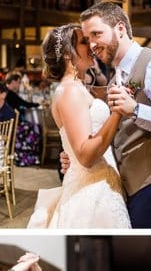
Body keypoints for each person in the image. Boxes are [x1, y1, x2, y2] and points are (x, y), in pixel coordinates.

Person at [73, 2, 151, 228]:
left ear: (120, 29)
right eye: (87, 38)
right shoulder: (117, 76)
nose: (92, 44)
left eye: (97, 34)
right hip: (135, 190)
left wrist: (136, 110)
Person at [27, 23, 131, 229]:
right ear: (68, 54)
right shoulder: (70, 91)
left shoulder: (79, 87)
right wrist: (117, 112)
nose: (91, 45)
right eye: (84, 42)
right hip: (90, 189)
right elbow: (85, 156)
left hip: (100, 182)